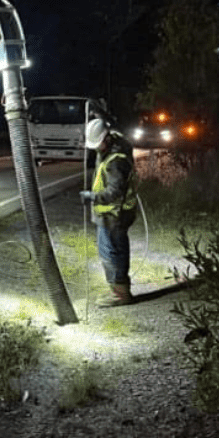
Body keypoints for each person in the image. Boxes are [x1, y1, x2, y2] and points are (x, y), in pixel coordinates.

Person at [79, 117, 139, 306]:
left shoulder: (116, 161)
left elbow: (115, 191)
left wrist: (92, 196)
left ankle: (120, 295)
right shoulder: (115, 145)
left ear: (106, 138)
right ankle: (119, 290)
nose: (97, 148)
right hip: (114, 214)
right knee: (115, 251)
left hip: (114, 215)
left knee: (111, 253)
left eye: (98, 144)